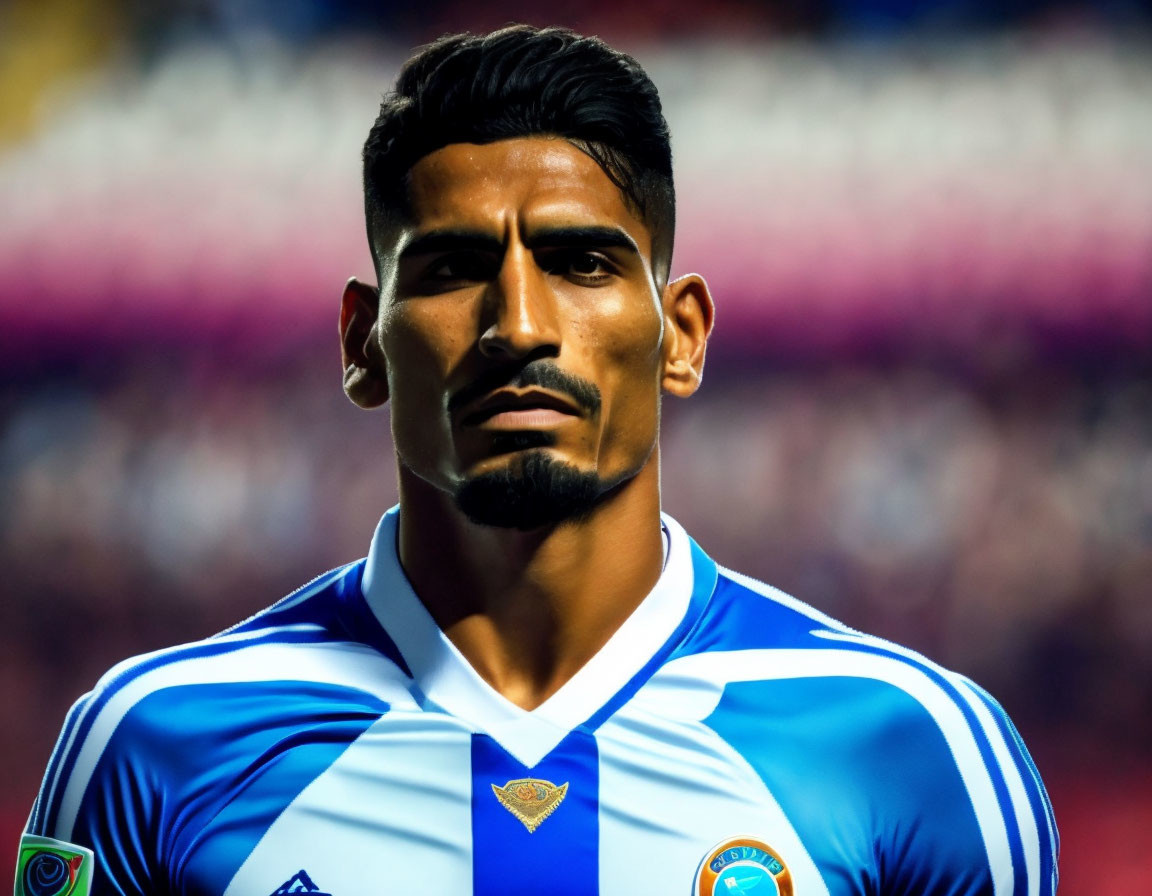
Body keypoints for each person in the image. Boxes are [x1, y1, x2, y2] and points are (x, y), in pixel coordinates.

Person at [18, 24, 1057, 896]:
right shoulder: (149, 744)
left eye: (581, 262)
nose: (517, 323)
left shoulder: (917, 746)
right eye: (454, 267)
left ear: (682, 334)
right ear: (360, 344)